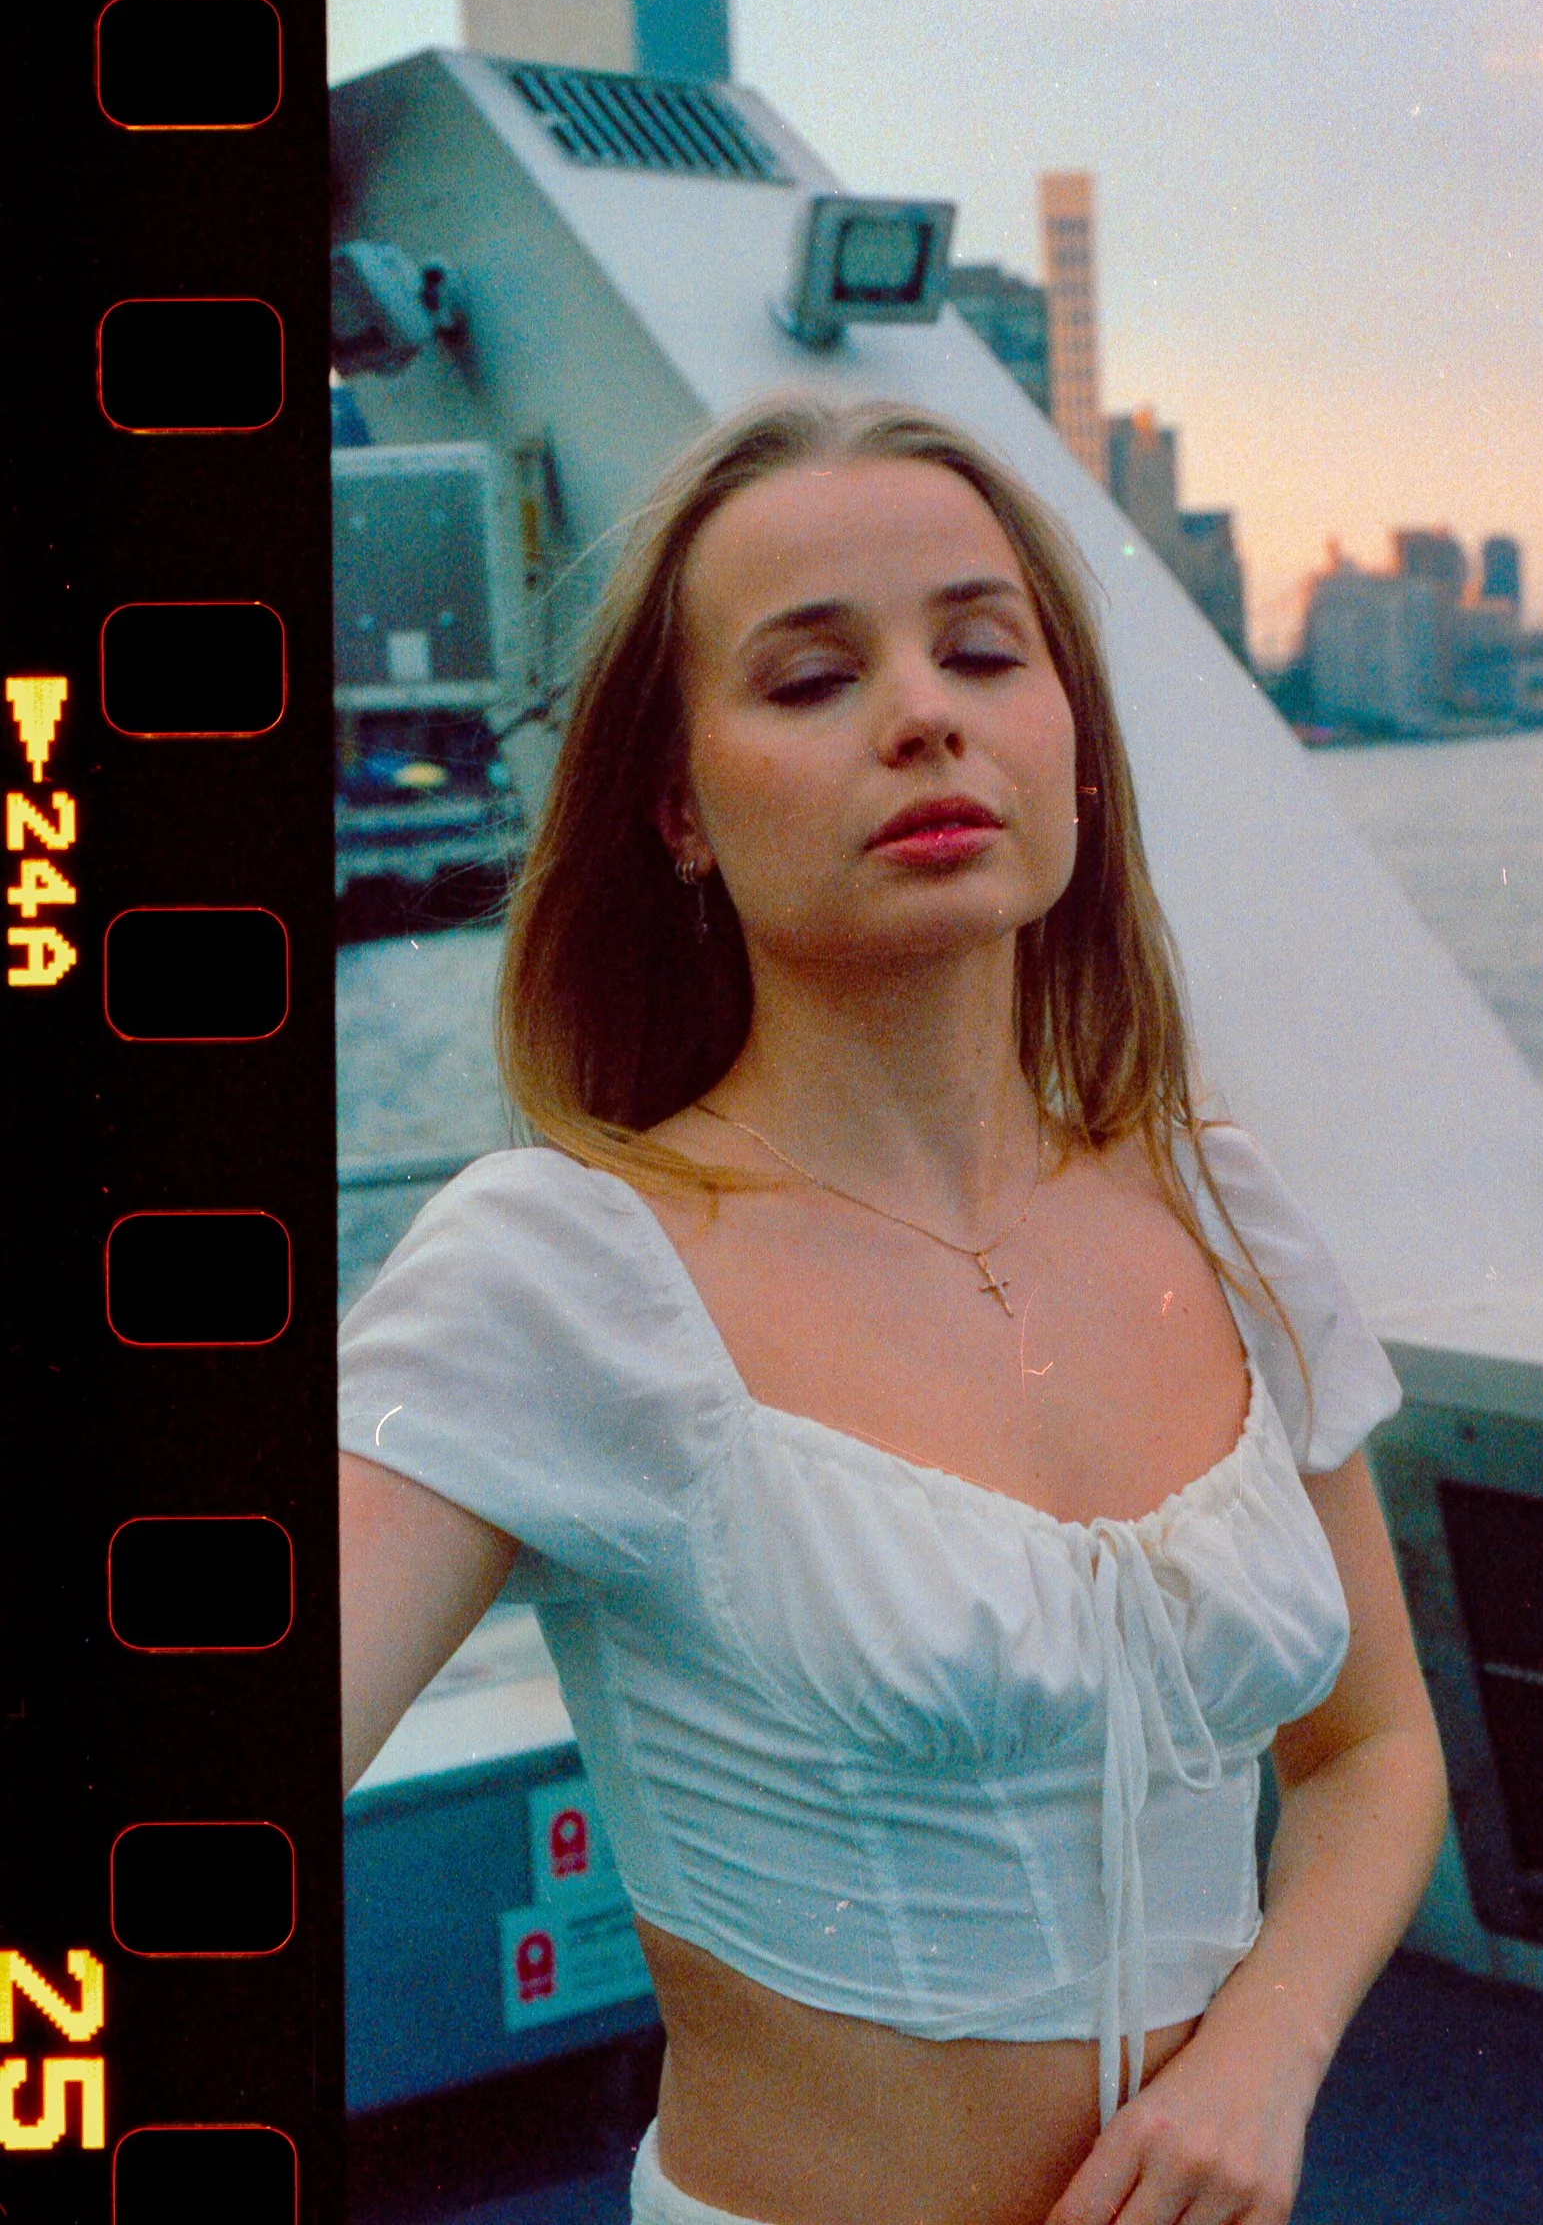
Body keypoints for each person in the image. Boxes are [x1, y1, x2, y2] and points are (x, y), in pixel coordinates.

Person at [339, 395, 1448, 2225]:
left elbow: (1370, 1752)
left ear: (1073, 751)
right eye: (807, 680)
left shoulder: (1223, 1208)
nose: (925, 712)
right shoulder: (566, 1270)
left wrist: (1263, 2060)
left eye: (983, 649)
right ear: (678, 814)